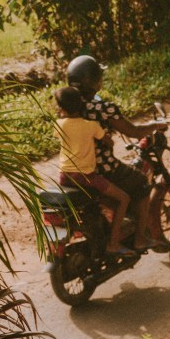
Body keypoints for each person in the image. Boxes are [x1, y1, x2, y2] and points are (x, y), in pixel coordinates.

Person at [66, 55, 166, 252]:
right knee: (141, 183)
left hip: (74, 167)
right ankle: (140, 239)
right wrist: (157, 125)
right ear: (93, 82)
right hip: (102, 169)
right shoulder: (103, 108)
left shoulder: (67, 107)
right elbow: (133, 132)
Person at [54, 85, 136, 259]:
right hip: (86, 177)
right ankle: (113, 244)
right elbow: (109, 142)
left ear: (61, 108)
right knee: (123, 199)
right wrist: (107, 139)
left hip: (64, 177)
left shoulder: (59, 124)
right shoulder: (90, 126)